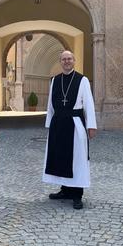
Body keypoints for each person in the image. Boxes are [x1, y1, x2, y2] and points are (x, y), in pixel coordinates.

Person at [43, 50, 97, 210]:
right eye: (64, 59)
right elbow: (50, 105)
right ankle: (64, 190)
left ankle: (77, 195)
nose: (67, 61)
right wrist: (49, 124)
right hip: (58, 123)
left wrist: (91, 126)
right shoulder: (55, 80)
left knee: (77, 159)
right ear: (60, 62)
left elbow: (89, 104)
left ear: (74, 61)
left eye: (69, 59)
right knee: (60, 157)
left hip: (75, 124)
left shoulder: (83, 80)